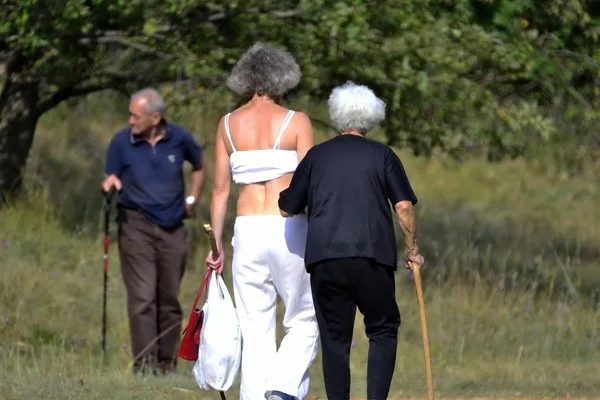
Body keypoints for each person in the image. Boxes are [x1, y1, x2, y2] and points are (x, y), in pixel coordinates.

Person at [278, 82, 425, 400]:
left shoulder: (317, 157)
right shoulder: (383, 155)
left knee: (335, 339)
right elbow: (403, 207)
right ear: (371, 118)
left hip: (325, 259)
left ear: (336, 116)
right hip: (372, 257)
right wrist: (412, 250)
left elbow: (287, 207)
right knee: (383, 329)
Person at [205, 43, 319, 400]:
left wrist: (218, 244)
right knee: (305, 316)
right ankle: (284, 389)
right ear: (283, 78)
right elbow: (312, 182)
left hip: (246, 230)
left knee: (254, 326)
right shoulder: (296, 120)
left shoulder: (226, 125)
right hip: (288, 227)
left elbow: (220, 190)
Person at [101, 87, 206, 376]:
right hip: (136, 224)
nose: (131, 120)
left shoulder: (180, 138)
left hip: (173, 225)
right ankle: (144, 366)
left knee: (169, 297)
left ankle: (166, 362)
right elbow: (110, 175)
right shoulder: (121, 142)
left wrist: (192, 199)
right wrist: (109, 183)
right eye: (130, 115)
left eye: (136, 115)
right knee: (143, 297)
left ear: (155, 116)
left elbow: (199, 165)